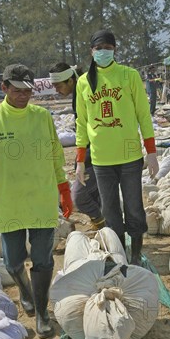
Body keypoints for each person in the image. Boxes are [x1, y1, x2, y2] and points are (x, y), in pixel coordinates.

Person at [0, 63, 73, 339]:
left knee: (43, 260)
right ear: (4, 88)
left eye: (28, 90)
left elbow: (55, 155)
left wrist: (63, 188)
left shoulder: (42, 117)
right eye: (17, 90)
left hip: (41, 199)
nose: (24, 95)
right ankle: (25, 290)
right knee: (12, 262)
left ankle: (42, 312)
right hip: (9, 202)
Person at [75, 30, 159, 265]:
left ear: (115, 50)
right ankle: (120, 253)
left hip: (130, 156)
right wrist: (81, 160)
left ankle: (135, 255)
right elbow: (81, 123)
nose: (103, 52)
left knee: (134, 207)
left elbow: (144, 114)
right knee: (110, 211)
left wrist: (151, 153)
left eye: (108, 48)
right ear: (92, 51)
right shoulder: (84, 82)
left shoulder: (128, 76)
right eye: (99, 48)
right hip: (101, 159)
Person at [49, 62, 104, 230]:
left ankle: (101, 222)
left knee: (79, 196)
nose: (56, 90)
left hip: (97, 150)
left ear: (70, 81)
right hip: (89, 149)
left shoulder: (84, 92)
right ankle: (104, 226)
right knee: (95, 193)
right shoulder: (79, 93)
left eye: (58, 86)